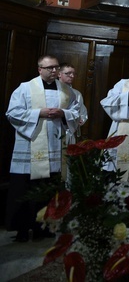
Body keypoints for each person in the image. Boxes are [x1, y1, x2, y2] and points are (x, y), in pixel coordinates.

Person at [5, 55, 80, 242]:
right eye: (49, 68)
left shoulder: (66, 91)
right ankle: (22, 230)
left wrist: (63, 113)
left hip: (54, 146)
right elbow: (12, 113)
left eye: (55, 67)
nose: (54, 71)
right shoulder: (25, 88)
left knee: (48, 188)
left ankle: (44, 228)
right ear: (40, 69)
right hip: (30, 145)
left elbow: (77, 112)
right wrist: (39, 113)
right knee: (25, 188)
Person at [59, 63, 88, 144]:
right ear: (59, 74)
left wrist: (81, 119)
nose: (72, 76)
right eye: (68, 73)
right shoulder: (54, 91)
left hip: (69, 130)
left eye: (73, 73)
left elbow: (82, 111)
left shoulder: (77, 93)